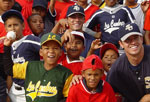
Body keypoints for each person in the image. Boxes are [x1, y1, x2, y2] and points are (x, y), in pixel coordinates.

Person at [3, 32, 73, 102]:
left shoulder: (66, 74)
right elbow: (9, 70)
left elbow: (68, 98)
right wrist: (6, 47)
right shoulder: (30, 66)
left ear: (61, 52)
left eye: (55, 48)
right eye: (46, 48)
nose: (51, 51)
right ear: (41, 52)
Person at [2, 9, 41, 102]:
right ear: (6, 29)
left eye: (16, 25)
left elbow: (47, 48)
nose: (13, 29)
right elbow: (10, 73)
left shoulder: (30, 39)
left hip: (30, 90)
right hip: (14, 90)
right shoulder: (9, 45)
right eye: (9, 26)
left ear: (23, 26)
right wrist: (8, 91)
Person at [106, 22, 150, 102]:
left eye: (135, 38)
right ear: (121, 44)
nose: (133, 42)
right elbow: (105, 93)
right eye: (128, 40)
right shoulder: (116, 69)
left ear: (141, 38)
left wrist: (147, 98)